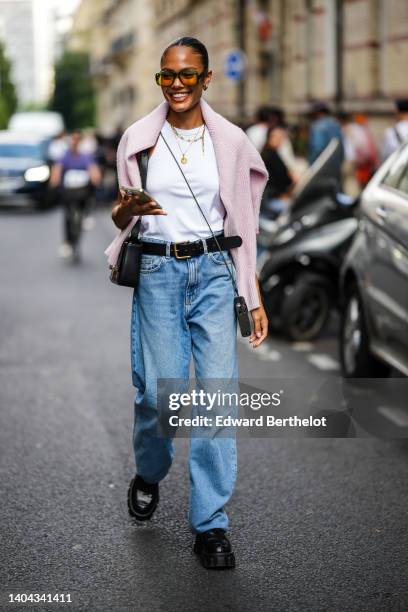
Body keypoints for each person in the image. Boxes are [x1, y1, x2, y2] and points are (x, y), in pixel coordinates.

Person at [105, 36, 269, 569]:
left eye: (187, 75)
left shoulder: (232, 141)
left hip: (217, 272)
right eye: (166, 76)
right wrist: (122, 215)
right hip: (157, 270)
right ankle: (150, 470)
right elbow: (126, 217)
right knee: (158, 397)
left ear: (205, 80)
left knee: (215, 399)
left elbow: (246, 223)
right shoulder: (139, 140)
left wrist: (253, 292)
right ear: (160, 79)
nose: (176, 85)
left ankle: (211, 523)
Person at [50, 131, 101, 259]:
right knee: (67, 215)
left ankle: (86, 215)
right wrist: (54, 180)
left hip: (82, 191)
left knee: (88, 198)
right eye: (73, 139)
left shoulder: (86, 156)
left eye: (77, 139)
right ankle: (67, 241)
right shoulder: (65, 156)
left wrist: (96, 178)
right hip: (68, 191)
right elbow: (57, 169)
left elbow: (93, 169)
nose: (75, 142)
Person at [260, 125, 295, 219]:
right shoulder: (270, 155)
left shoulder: (270, 153)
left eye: (282, 137)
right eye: (278, 137)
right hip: (270, 201)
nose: (281, 140)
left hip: (270, 198)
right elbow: (282, 179)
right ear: (270, 137)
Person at [308, 101, 344, 183]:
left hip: (322, 169)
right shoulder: (336, 125)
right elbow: (342, 148)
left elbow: (317, 149)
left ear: (317, 113)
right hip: (336, 167)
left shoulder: (318, 126)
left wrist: (311, 168)